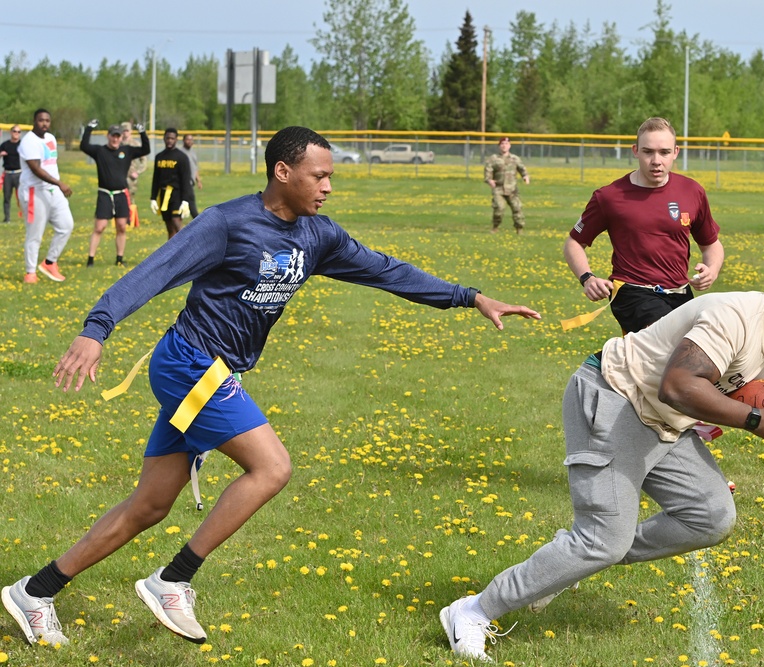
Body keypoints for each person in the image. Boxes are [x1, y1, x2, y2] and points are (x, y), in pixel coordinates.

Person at [1, 126, 541, 648]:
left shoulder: (318, 234)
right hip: (188, 363)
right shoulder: (227, 224)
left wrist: (470, 298)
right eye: (319, 175)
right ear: (283, 172)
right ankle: (174, 579)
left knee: (149, 505)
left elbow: (385, 270)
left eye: (330, 177)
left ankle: (35, 591)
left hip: (213, 374)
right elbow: (154, 271)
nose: (328, 186)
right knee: (272, 467)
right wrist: (97, 329)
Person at [441, 259, 764, 661]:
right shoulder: (735, 316)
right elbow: (678, 384)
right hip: (614, 394)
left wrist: (736, 419)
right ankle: (473, 611)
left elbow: (719, 392)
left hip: (663, 419)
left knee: (711, 516)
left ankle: (571, 563)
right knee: (601, 540)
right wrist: (756, 419)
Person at [563, 117, 725, 333]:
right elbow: (574, 242)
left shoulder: (692, 191)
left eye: (664, 152)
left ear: (676, 152)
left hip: (680, 292)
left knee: (693, 354)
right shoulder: (609, 197)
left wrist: (712, 270)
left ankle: (607, 364)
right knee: (664, 339)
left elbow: (711, 244)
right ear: (635, 151)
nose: (656, 160)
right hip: (632, 291)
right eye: (648, 152)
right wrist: (587, 278)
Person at [80, 120, 151, 267]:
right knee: (100, 227)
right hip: (105, 194)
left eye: (118, 136)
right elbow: (84, 146)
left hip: (121, 195)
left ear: (121, 137)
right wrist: (88, 129)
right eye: (113, 136)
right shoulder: (100, 151)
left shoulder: (127, 151)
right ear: (108, 136)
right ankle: (90, 259)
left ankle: (119, 258)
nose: (115, 139)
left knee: (122, 227)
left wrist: (142, 132)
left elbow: (146, 149)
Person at [17, 109, 74, 283]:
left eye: (47, 120)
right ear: (34, 121)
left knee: (66, 225)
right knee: (35, 233)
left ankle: (50, 262)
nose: (45, 124)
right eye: (41, 120)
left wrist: (56, 185)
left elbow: (50, 166)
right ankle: (30, 272)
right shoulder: (29, 141)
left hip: (52, 190)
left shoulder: (51, 138)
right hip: (34, 191)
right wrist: (59, 183)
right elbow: (36, 169)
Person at [150, 127, 193, 239]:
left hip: (176, 194)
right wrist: (153, 198)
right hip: (164, 195)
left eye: (172, 138)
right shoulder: (159, 157)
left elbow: (185, 179)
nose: (170, 140)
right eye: (168, 138)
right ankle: (172, 254)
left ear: (176, 140)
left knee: (176, 222)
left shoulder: (181, 157)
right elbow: (156, 178)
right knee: (169, 227)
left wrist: (185, 200)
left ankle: (186, 248)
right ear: (164, 138)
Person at [484, 136, 529, 234]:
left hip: (512, 189)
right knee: (499, 209)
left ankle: (519, 229)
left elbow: (522, 169)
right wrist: (489, 180)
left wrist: (525, 176)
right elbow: (488, 172)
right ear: (499, 146)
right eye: (502, 144)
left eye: (506, 144)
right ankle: (495, 227)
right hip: (498, 189)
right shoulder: (493, 159)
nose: (504, 146)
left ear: (510, 145)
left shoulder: (515, 158)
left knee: (517, 209)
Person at [121, 121, 148, 204]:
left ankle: (131, 217)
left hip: (130, 177)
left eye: (127, 131)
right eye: (123, 131)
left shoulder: (135, 144)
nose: (125, 133)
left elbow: (144, 160)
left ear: (131, 131)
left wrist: (137, 172)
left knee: (130, 200)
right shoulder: (117, 144)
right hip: (119, 175)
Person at [1, 124, 23, 222]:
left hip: (19, 173)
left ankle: (25, 217)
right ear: (11, 132)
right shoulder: (5, 145)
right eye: (15, 131)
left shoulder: (23, 145)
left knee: (22, 197)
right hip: (8, 174)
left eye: (19, 132)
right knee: (7, 197)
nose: (16, 134)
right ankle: (7, 218)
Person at [178, 133, 202, 218]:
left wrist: (198, 181)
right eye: (188, 139)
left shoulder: (193, 152)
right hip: (182, 183)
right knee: (189, 204)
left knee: (189, 203)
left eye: (191, 139)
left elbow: (195, 168)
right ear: (183, 140)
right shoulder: (180, 153)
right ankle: (198, 221)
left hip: (190, 183)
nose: (189, 141)